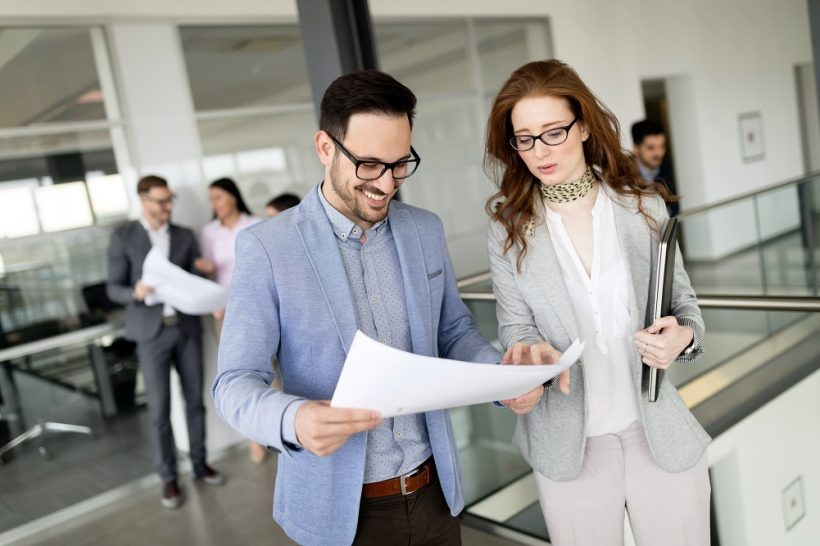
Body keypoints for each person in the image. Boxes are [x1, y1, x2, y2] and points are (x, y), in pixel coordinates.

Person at [212, 70, 544, 546]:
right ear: (325, 148)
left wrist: (504, 380)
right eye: (368, 164)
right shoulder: (267, 248)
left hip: (434, 496)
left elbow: (452, 332)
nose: (387, 184)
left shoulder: (424, 230)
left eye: (399, 163)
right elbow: (233, 384)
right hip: (340, 515)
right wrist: (294, 420)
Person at [484, 60, 710, 546]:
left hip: (657, 431)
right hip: (568, 444)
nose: (539, 151)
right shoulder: (507, 231)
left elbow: (687, 309)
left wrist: (682, 338)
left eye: (553, 132)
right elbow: (515, 329)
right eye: (524, 138)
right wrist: (529, 355)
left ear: (584, 126)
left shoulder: (642, 207)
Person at [107, 175, 224, 510]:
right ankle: (168, 478)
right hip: (150, 332)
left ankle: (200, 465)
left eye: (169, 199)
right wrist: (134, 292)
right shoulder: (123, 236)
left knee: (195, 401)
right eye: (161, 201)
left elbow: (190, 282)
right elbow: (112, 288)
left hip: (186, 328)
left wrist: (203, 271)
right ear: (143, 201)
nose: (168, 206)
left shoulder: (184, 235)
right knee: (159, 409)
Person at [193, 178, 265, 463]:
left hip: (259, 307)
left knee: (271, 370)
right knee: (242, 373)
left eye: (219, 198)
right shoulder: (209, 232)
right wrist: (206, 272)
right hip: (225, 311)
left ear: (233, 197)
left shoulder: (254, 223)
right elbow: (210, 274)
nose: (215, 204)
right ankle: (255, 437)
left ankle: (281, 426)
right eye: (211, 199)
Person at [631, 119, 679, 216]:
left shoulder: (666, 166)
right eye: (651, 148)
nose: (659, 153)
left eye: (662, 146)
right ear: (636, 148)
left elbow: (674, 206)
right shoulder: (622, 171)